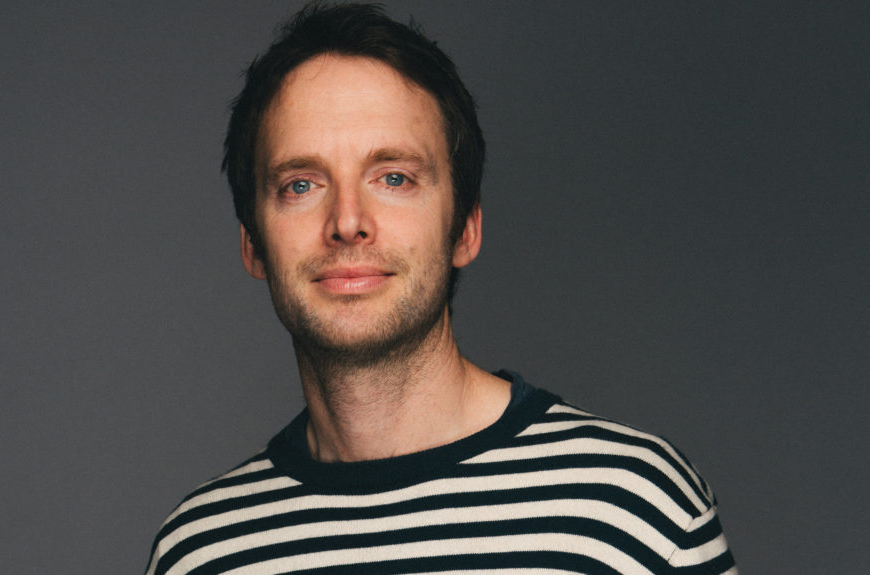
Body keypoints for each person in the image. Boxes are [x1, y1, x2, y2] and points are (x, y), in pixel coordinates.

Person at [144, 3, 735, 574]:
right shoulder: (201, 552)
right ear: (252, 242)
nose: (347, 220)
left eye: (394, 178)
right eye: (301, 184)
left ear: (465, 230)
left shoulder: (634, 513)